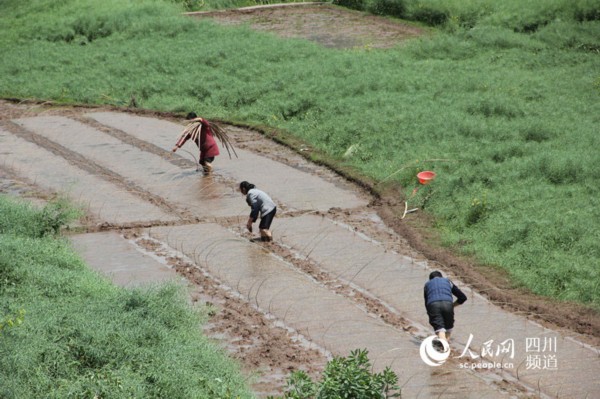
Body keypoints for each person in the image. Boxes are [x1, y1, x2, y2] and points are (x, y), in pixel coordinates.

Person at [423, 270, 467, 351]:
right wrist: (452, 306)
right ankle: (446, 343)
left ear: (430, 279)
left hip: (433, 305)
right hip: (448, 304)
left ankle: (445, 349)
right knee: (448, 327)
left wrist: (430, 315)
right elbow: (463, 297)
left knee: (439, 328)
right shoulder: (448, 281)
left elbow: (426, 303)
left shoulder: (427, 285)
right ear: (441, 277)